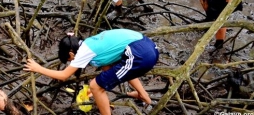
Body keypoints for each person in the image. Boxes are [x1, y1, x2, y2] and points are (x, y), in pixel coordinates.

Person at [24, 30, 159, 115]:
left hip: (140, 53)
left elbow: (64, 76)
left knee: (95, 85)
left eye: (70, 59)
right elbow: (112, 71)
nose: (72, 62)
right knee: (107, 78)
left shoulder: (84, 51)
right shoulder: (90, 43)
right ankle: (144, 96)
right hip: (149, 47)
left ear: (71, 53)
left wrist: (38, 68)